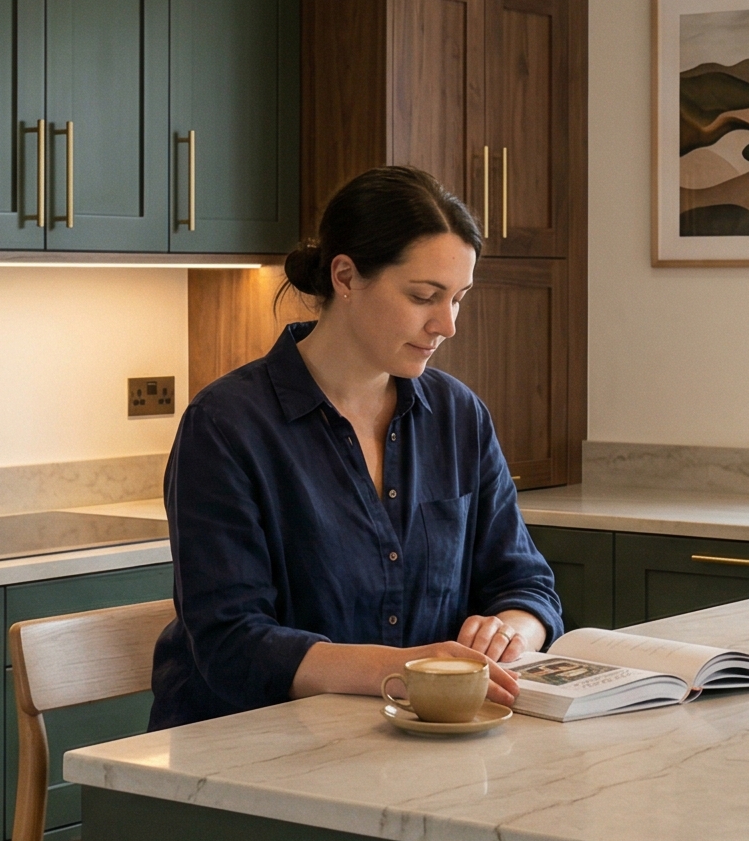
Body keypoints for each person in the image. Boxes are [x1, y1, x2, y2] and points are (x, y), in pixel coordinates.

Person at [149, 166, 565, 728]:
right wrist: (403, 668)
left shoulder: (458, 416)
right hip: (247, 756)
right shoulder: (226, 426)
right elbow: (232, 644)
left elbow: (525, 583)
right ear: (345, 276)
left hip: (417, 746)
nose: (447, 324)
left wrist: (511, 629)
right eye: (424, 296)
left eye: (459, 299)